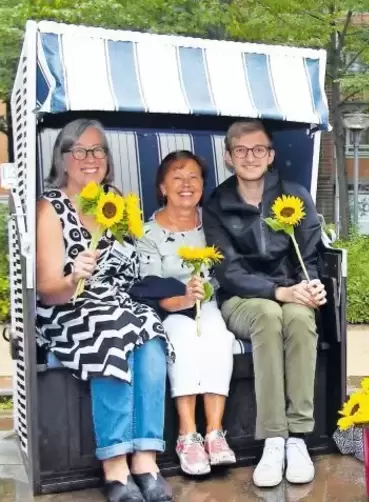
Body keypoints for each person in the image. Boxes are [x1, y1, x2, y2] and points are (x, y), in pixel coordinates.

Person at [35, 119, 173, 502]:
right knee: (111, 332)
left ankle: (145, 458)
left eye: (97, 150)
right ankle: (114, 466)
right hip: (68, 308)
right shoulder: (50, 207)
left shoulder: (113, 201)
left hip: (117, 302)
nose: (90, 158)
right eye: (78, 150)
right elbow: (47, 291)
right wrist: (73, 275)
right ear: (63, 160)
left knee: (150, 331)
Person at [202, 120, 327, 488]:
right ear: (229, 157)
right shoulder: (217, 205)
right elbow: (228, 271)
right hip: (243, 300)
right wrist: (277, 292)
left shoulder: (295, 196)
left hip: (293, 293)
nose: (250, 157)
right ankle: (274, 438)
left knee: (301, 321)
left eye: (258, 149)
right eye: (240, 150)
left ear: (271, 155)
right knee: (269, 316)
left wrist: (311, 286)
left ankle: (297, 438)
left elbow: (311, 255)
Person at [136, 150, 237, 477]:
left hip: (207, 305)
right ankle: (187, 435)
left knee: (218, 338)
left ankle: (214, 433)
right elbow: (154, 291)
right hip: (170, 310)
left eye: (193, 177)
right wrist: (183, 297)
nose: (186, 184)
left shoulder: (213, 224)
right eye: (177, 178)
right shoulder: (147, 234)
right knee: (184, 338)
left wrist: (201, 295)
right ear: (162, 187)